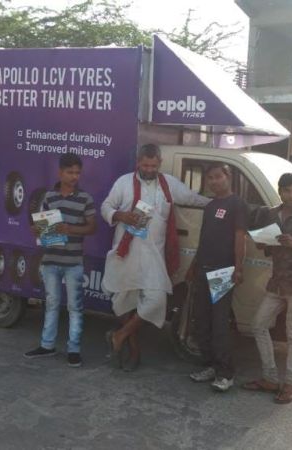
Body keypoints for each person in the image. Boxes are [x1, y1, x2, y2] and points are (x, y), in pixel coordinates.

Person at [101, 143, 209, 371]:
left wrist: (220, 203)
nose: (149, 170)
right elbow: (106, 206)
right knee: (124, 303)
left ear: (159, 163)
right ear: (138, 163)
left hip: (153, 255)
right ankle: (134, 352)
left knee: (156, 300)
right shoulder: (124, 182)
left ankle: (118, 336)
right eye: (145, 165)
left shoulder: (169, 184)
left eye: (153, 165)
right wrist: (120, 215)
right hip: (126, 252)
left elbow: (192, 199)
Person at [242, 172, 292, 404]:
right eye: (287, 190)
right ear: (280, 191)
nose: (291, 195)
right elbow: (265, 246)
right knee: (258, 325)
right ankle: (270, 378)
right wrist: (262, 242)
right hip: (277, 282)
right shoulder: (270, 215)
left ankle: (290, 384)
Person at [24, 153, 97, 368]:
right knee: (51, 304)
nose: (74, 176)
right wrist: (36, 230)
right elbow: (41, 228)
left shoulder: (85, 198)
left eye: (77, 172)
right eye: (70, 172)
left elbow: (92, 228)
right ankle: (47, 345)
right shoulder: (49, 197)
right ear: (60, 172)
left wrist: (70, 229)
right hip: (50, 260)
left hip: (74, 262)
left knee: (75, 307)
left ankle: (74, 350)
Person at [186, 163, 247, 392]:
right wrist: (193, 265)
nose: (214, 181)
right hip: (203, 269)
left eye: (218, 176)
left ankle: (225, 374)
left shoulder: (237, 204)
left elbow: (240, 237)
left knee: (220, 325)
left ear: (227, 176)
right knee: (201, 322)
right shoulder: (210, 206)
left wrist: (238, 268)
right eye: (210, 178)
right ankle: (210, 366)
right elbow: (204, 239)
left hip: (223, 272)